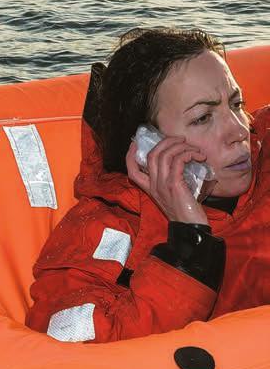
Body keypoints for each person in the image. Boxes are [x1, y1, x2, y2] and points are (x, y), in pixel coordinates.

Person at [26, 27, 270, 342]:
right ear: (146, 144)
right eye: (202, 118)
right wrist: (189, 239)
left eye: (236, 105)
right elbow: (64, 340)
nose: (238, 130)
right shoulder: (108, 228)